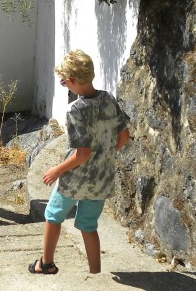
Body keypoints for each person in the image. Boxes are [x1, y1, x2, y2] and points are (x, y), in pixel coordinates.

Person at [29, 50, 130, 275]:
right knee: (88, 225)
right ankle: (95, 272)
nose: (64, 85)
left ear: (72, 81)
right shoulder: (108, 99)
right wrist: (104, 155)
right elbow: (124, 137)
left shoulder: (76, 110)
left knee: (53, 216)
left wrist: (56, 170)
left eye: (64, 82)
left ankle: (46, 264)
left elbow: (82, 153)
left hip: (75, 179)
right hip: (101, 178)